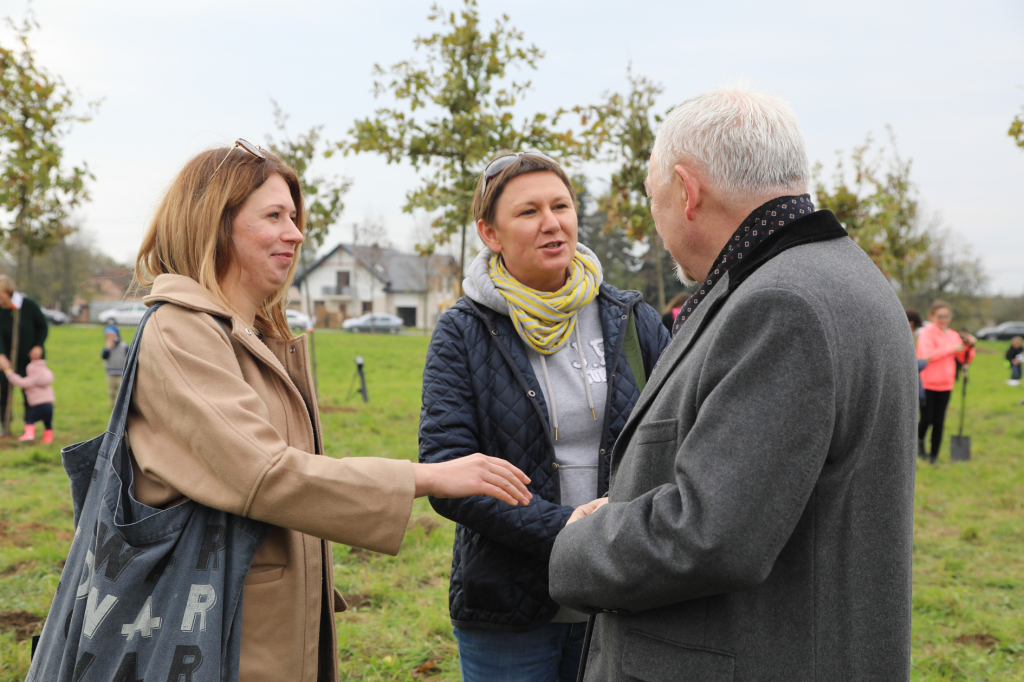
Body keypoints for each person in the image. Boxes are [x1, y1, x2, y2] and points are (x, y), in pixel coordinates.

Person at [126, 141, 533, 682]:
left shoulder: (253, 333)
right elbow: (266, 473)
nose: (295, 233)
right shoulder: (181, 331)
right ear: (214, 223)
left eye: (294, 217)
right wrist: (425, 476)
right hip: (213, 633)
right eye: (274, 216)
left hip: (262, 621)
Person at [548, 87, 918, 681]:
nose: (658, 224)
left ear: (687, 191)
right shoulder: (848, 279)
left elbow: (710, 534)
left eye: (654, 201)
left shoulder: (781, 305)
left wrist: (581, 542)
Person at [418, 151, 670, 682]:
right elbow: (447, 473)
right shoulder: (464, 333)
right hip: (509, 606)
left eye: (561, 205)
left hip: (622, 597)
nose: (552, 223)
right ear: (490, 233)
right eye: (529, 212)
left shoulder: (630, 319)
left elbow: (676, 440)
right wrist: (566, 528)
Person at [917, 300, 975, 463]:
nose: (944, 320)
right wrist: (951, 349)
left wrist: (970, 346)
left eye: (947, 316)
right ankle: (920, 442)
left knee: (939, 420)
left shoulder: (953, 335)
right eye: (940, 316)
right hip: (927, 383)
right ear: (932, 316)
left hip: (945, 384)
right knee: (927, 418)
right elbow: (926, 356)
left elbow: (964, 359)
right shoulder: (927, 333)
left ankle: (934, 455)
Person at [0, 275, 48, 427]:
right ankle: (5, 426)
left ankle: (29, 427)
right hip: (6, 361)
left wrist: (38, 345)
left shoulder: (28, 306)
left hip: (30, 360)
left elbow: (43, 327)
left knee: (30, 394)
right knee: (4, 391)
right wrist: (1, 355)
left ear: (9, 293)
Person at [4, 355, 54, 443]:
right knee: (47, 422)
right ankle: (48, 438)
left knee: (30, 419)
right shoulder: (46, 378)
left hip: (38, 405)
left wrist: (9, 374)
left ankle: (29, 434)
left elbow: (20, 382)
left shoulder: (32, 379)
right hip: (49, 405)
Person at [101, 324, 127, 406]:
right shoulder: (107, 347)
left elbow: (129, 357)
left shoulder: (123, 346)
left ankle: (121, 406)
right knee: (111, 391)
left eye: (112, 335)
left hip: (121, 373)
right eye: (108, 336)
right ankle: (112, 405)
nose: (110, 337)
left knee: (121, 392)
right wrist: (107, 348)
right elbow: (104, 356)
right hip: (110, 373)